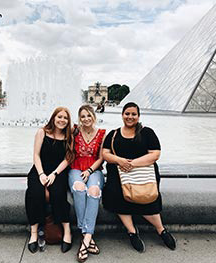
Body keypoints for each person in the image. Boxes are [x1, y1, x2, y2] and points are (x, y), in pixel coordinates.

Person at [102, 102, 176, 253]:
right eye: (127, 113)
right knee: (117, 197)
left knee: (147, 198)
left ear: (138, 116)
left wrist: (132, 164)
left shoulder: (147, 132)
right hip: (118, 175)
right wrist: (120, 160)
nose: (130, 117)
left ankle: (161, 230)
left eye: (133, 114)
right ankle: (132, 232)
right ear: (122, 115)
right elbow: (105, 153)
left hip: (143, 174)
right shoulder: (113, 133)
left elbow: (155, 154)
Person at [25, 107, 74, 254]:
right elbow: (36, 155)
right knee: (35, 193)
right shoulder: (42, 132)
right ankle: (34, 232)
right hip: (39, 170)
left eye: (65, 118)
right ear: (53, 118)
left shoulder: (69, 136)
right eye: (59, 117)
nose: (62, 120)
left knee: (58, 194)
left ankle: (66, 230)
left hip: (58, 172)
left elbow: (68, 159)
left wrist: (54, 174)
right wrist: (41, 174)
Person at [69, 105, 105, 262]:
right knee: (79, 188)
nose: (86, 119)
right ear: (79, 118)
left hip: (94, 169)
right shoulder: (74, 131)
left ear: (93, 116)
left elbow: (101, 158)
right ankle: (88, 237)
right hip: (75, 167)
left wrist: (90, 171)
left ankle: (85, 237)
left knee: (94, 191)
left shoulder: (102, 133)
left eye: (88, 116)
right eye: (82, 116)